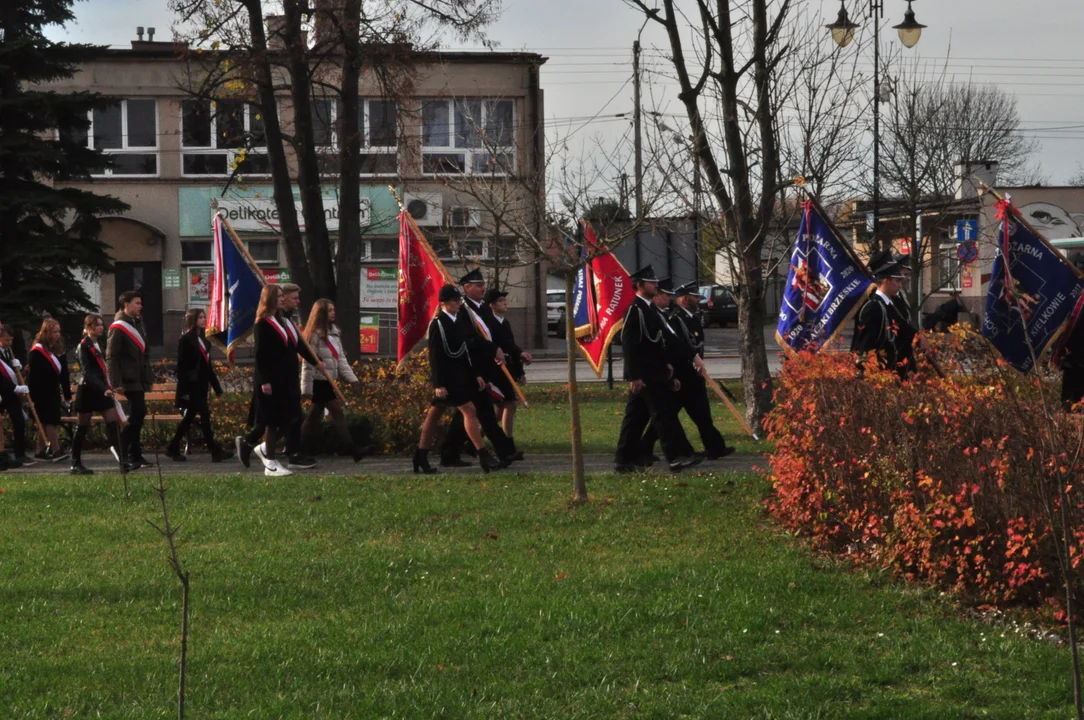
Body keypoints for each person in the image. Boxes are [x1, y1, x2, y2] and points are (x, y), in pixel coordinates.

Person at [613, 265, 702, 473]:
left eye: (655, 282)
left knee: (636, 417)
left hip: (657, 371)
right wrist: (634, 376)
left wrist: (673, 362)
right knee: (663, 414)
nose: (655, 285)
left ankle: (624, 459)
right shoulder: (635, 310)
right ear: (639, 285)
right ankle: (676, 457)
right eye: (651, 282)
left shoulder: (650, 309)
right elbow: (630, 344)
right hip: (645, 374)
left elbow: (665, 339)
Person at [413, 284, 504, 474]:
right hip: (447, 378)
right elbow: (435, 356)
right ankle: (483, 454)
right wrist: (438, 384)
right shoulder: (438, 323)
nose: (457, 303)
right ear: (443, 303)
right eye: (453, 301)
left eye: (458, 300)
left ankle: (421, 454)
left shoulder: (457, 322)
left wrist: (475, 374)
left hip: (460, 375)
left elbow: (464, 353)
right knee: (469, 410)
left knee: (435, 414)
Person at [235, 284, 324, 476]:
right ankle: (270, 462)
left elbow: (298, 346)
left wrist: (316, 362)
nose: (282, 299)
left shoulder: (282, 321)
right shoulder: (263, 324)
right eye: (279, 296)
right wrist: (265, 381)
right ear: (270, 299)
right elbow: (261, 355)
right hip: (272, 380)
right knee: (272, 421)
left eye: (283, 295)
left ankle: (266, 451)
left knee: (287, 418)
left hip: (287, 378)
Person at [641, 281, 733, 461]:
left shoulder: (693, 318)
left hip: (694, 374)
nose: (698, 300)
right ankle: (645, 447)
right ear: (684, 299)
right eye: (694, 297)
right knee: (668, 415)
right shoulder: (676, 319)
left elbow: (697, 345)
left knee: (699, 413)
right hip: (683, 374)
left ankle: (715, 447)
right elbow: (676, 346)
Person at [438, 269, 516, 467]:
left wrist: (513, 351)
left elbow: (494, 333)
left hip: (484, 367)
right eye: (479, 285)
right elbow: (469, 339)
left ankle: (451, 452)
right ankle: (504, 452)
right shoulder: (463, 310)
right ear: (467, 288)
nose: (483, 288)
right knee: (481, 411)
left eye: (483, 285)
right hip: (471, 368)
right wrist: (492, 349)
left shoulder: (482, 308)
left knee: (470, 412)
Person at [300, 298, 371, 462]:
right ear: (321, 313)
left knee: (313, 416)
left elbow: (341, 360)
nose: (333, 313)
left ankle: (296, 447)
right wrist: (306, 389)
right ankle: (353, 450)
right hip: (319, 381)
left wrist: (353, 379)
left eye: (333, 310)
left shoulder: (334, 332)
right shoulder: (314, 335)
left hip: (328, 380)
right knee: (337, 412)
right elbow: (308, 364)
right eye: (330, 310)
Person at [166, 309, 232, 462]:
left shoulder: (204, 340)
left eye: (204, 317)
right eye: (200, 317)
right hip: (192, 386)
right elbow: (182, 366)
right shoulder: (185, 339)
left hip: (202, 386)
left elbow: (208, 367)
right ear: (193, 319)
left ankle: (173, 447)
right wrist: (185, 390)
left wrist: (216, 387)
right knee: (205, 416)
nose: (203, 320)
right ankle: (215, 451)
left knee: (189, 418)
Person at [107, 289, 155, 469]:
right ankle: (120, 447)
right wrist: (116, 382)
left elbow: (144, 352)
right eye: (137, 303)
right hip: (128, 378)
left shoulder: (138, 323)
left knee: (138, 415)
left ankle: (135, 455)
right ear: (126, 305)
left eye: (141, 303)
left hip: (139, 377)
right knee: (138, 413)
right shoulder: (118, 327)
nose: (140, 306)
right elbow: (112, 356)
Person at [71, 314, 123, 475]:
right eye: (97, 325)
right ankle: (75, 463)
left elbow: (104, 369)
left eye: (101, 325)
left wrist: (111, 385)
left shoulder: (99, 343)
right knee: (82, 427)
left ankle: (123, 461)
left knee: (113, 424)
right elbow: (87, 372)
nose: (101, 328)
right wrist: (103, 388)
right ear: (88, 327)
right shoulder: (83, 346)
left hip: (102, 389)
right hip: (88, 390)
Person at [483, 288, 532, 458]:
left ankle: (478, 436)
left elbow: (511, 346)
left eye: (504, 300)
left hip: (508, 369)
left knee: (501, 409)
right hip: (495, 370)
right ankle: (507, 446)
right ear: (491, 305)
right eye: (500, 301)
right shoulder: (488, 324)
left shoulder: (505, 322)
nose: (505, 303)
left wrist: (520, 370)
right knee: (509, 405)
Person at [852, 250, 905, 375]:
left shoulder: (888, 304)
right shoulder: (874, 307)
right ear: (887, 281)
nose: (900, 285)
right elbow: (864, 346)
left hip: (888, 372)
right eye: (897, 281)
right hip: (876, 375)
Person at [28, 318, 72, 462]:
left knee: (46, 421)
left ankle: (40, 450)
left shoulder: (58, 350)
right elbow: (33, 377)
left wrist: (67, 394)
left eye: (58, 331)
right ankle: (56, 450)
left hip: (53, 391)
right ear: (46, 333)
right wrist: (32, 397)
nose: (57, 335)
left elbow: (64, 374)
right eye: (54, 332)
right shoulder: (37, 352)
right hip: (41, 393)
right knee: (50, 421)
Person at [0, 325, 31, 468]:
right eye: (6, 340)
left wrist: (18, 368)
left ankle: (20, 453)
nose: (9, 343)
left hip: (11, 394)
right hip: (2, 393)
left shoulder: (8, 352)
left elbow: (11, 374)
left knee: (19, 421)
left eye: (11, 340)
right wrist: (15, 387)